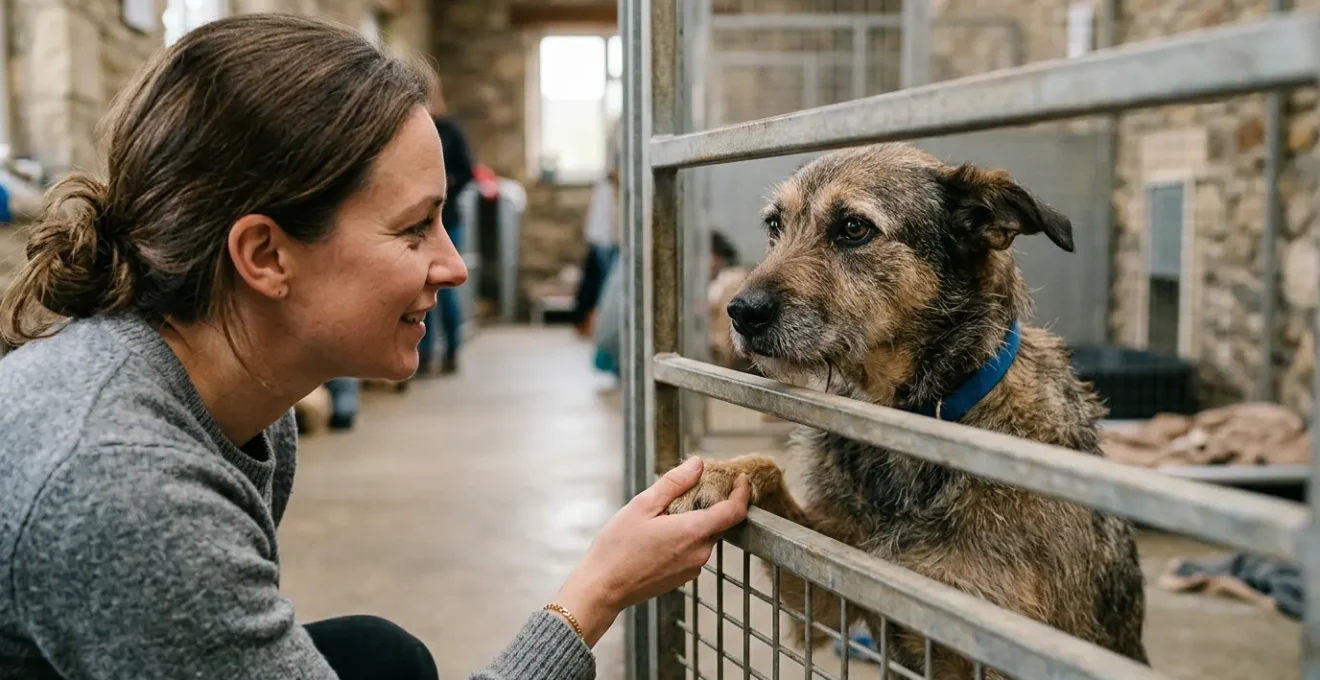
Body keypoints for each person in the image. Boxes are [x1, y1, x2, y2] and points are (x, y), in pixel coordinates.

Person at [0, 14, 749, 680]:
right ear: (265, 255)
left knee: (379, 655)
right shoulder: (126, 488)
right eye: (414, 228)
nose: (453, 266)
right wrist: (597, 593)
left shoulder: (247, 405)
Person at [416, 57, 474, 376]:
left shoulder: (450, 131)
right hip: (418, 224)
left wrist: (445, 185)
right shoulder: (411, 129)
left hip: (448, 219)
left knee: (446, 291)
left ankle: (452, 348)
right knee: (421, 289)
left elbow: (467, 172)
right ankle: (425, 353)